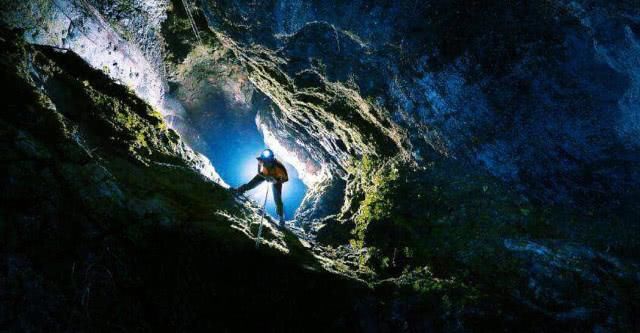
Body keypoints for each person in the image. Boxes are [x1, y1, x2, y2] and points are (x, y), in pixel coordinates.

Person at [235, 149, 289, 228]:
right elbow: (258, 171)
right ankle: (239, 190)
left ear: (272, 160)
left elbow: (286, 179)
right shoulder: (261, 160)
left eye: (267, 162)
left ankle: (281, 218)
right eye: (264, 162)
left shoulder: (279, 166)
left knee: (278, 200)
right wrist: (264, 176)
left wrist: (276, 181)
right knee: (250, 185)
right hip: (264, 175)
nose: (265, 163)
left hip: (276, 180)